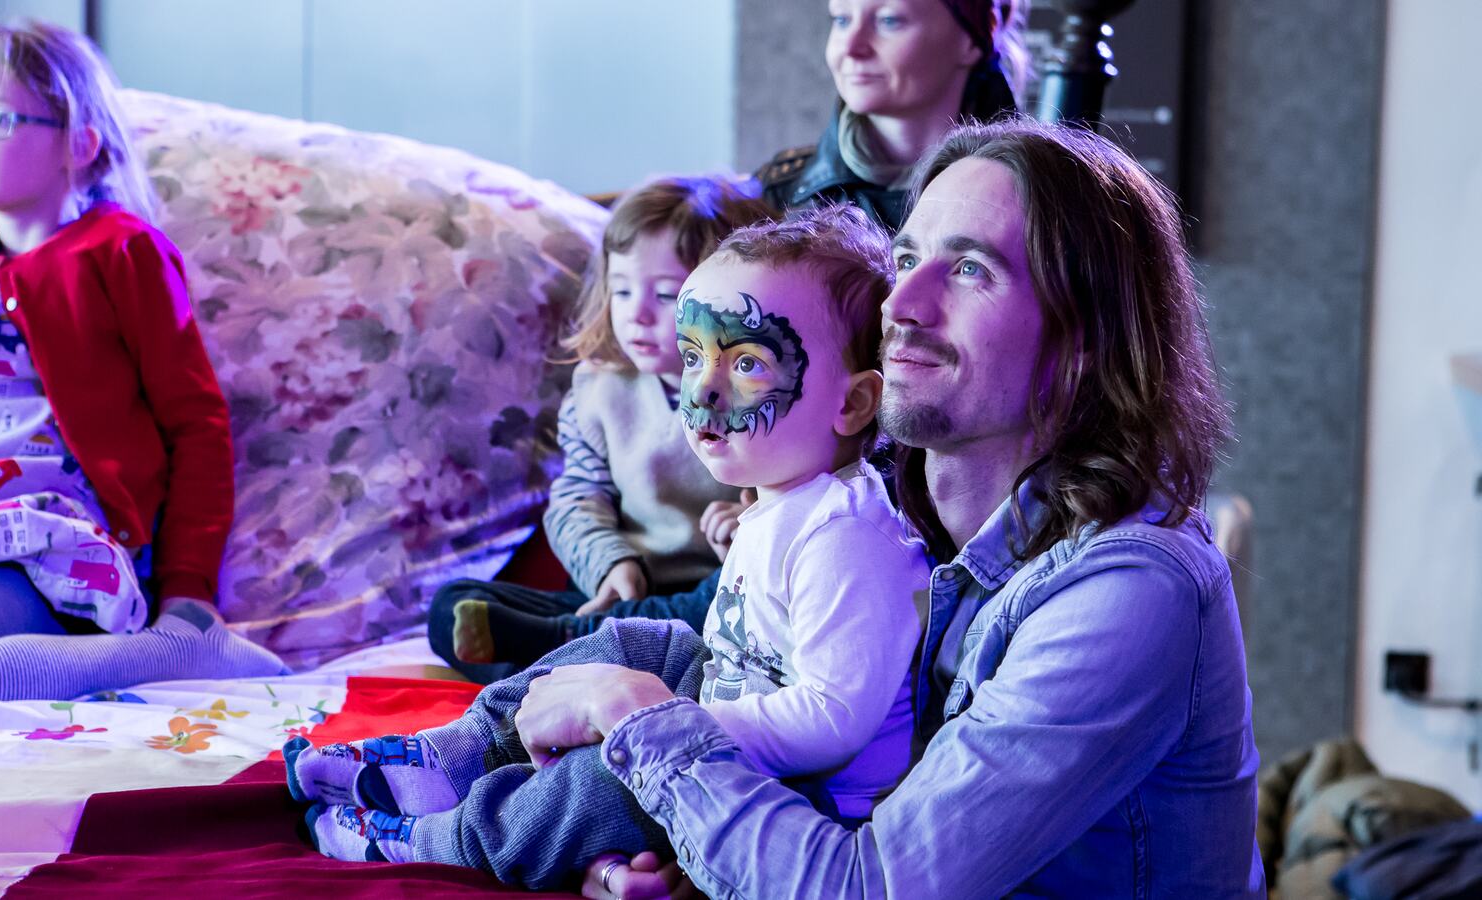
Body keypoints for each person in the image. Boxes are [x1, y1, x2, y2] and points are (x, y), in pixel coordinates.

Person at [515, 118, 1267, 898]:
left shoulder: (1129, 593)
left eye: (969, 269)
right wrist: (689, 853)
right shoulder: (880, 506)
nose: (900, 303)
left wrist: (636, 718)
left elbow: (869, 886)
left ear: (1085, 339)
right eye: (906, 259)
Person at [285, 204, 932, 890]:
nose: (703, 388)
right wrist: (650, 703)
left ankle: (439, 838)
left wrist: (650, 725)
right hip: (733, 718)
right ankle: (453, 758)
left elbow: (833, 719)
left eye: (746, 362)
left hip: (804, 793)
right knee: (640, 644)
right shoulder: (783, 500)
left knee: (603, 776)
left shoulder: (846, 537)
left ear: (853, 405)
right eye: (693, 357)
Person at [0, 19, 285, 702]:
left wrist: (187, 594)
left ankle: (180, 653)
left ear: (79, 142)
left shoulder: (121, 253)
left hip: (29, 540)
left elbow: (195, 425)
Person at [427, 177, 770, 683]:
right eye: (623, 290)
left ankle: (571, 649)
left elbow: (796, 495)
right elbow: (577, 496)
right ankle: (589, 650)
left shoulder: (760, 393)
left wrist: (751, 527)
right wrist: (610, 564)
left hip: (714, 592)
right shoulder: (600, 387)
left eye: (666, 294)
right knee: (452, 606)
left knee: (727, 602)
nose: (637, 314)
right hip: (625, 589)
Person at [757, 0, 1029, 232]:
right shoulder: (775, 197)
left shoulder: (1035, 200)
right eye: (842, 20)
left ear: (975, 38)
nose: (851, 47)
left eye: (889, 21)